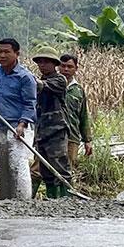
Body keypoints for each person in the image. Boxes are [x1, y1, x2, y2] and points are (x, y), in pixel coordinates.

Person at [0, 38, 38, 200]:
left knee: (18, 165)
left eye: (6, 52)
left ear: (17, 54)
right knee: (3, 165)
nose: (2, 55)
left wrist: (22, 124)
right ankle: (5, 201)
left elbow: (30, 104)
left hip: (19, 127)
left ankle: (22, 202)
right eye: (0, 52)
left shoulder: (25, 77)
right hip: (2, 126)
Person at [31, 46, 71, 198]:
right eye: (40, 62)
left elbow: (43, 87)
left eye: (46, 62)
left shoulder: (59, 79)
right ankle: (52, 197)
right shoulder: (39, 80)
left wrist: (28, 78)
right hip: (42, 131)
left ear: (54, 64)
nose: (42, 65)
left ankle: (66, 197)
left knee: (60, 167)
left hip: (56, 130)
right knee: (45, 170)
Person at [59, 53, 93, 172]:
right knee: (41, 170)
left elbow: (83, 116)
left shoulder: (78, 90)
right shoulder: (50, 85)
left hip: (72, 137)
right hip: (52, 137)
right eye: (63, 66)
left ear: (76, 68)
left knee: (68, 171)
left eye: (70, 66)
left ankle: (66, 191)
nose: (66, 69)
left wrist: (87, 140)